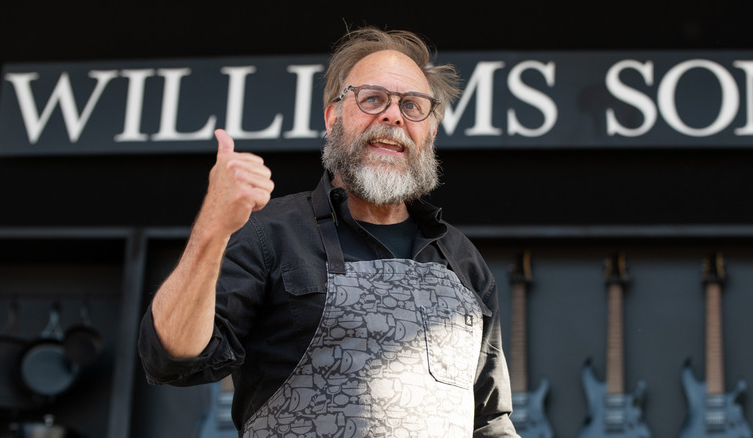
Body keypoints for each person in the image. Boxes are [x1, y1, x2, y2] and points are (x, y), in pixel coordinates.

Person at [137, 26, 519, 437]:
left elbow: (490, 422)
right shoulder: (271, 234)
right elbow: (170, 358)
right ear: (333, 116)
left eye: (412, 106)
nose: (393, 115)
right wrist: (212, 229)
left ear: (431, 132)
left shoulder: (463, 261)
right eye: (373, 99)